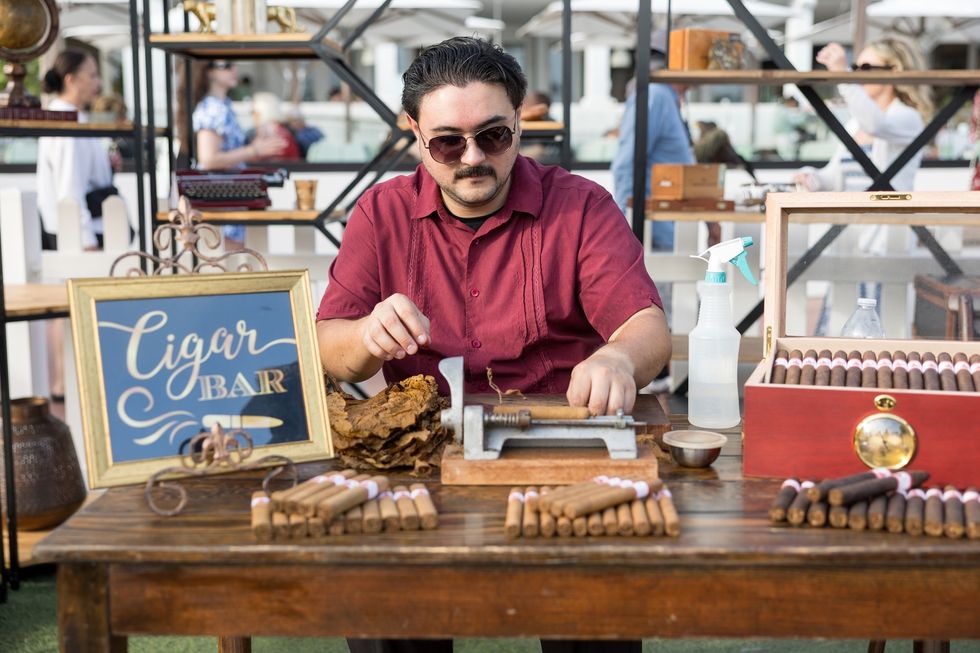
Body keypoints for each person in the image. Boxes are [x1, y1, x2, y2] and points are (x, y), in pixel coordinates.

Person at [316, 37, 670, 652]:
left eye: (494, 136)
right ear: (414, 133)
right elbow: (327, 343)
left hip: (565, 448)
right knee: (387, 615)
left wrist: (618, 356)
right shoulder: (381, 213)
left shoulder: (580, 205)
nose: (472, 158)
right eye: (448, 141)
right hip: (423, 453)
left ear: (521, 120)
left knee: (593, 624)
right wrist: (368, 336)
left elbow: (647, 327)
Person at [793, 38, 933, 332]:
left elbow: (876, 125)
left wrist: (844, 75)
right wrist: (810, 176)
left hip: (883, 245)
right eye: (856, 67)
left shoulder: (907, 118)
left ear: (894, 70)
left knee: (874, 342)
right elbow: (833, 175)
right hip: (849, 242)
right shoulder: (856, 125)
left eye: (865, 67)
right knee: (837, 333)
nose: (858, 73)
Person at [610, 29, 695, 252]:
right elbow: (626, 163)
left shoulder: (666, 98)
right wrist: (623, 227)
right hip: (650, 234)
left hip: (665, 231)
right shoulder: (656, 95)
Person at [191, 60, 286, 246]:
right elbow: (208, 159)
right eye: (225, 65)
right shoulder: (213, 108)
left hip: (228, 198)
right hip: (223, 200)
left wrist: (254, 145)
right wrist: (254, 149)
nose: (233, 70)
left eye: (233, 65)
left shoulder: (222, 105)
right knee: (231, 263)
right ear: (209, 72)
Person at [37, 50, 119, 251]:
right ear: (71, 80)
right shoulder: (67, 124)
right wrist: (87, 242)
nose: (98, 83)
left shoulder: (71, 119)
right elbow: (69, 189)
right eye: (92, 75)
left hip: (80, 230)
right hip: (79, 236)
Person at [247, 91, 302, 161]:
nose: (252, 116)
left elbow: (256, 163)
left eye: (254, 112)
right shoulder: (279, 131)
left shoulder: (276, 135)